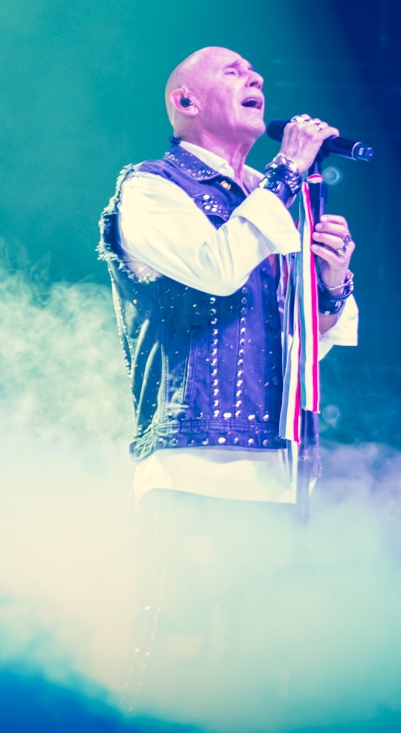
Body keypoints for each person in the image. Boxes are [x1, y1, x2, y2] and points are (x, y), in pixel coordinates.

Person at [98, 46, 359, 702]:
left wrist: (332, 285)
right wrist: (287, 173)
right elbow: (214, 267)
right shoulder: (151, 187)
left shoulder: (270, 200)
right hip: (192, 467)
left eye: (254, 72)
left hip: (277, 475)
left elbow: (303, 349)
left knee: (260, 668)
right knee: (175, 653)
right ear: (184, 101)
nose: (255, 77)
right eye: (232, 71)